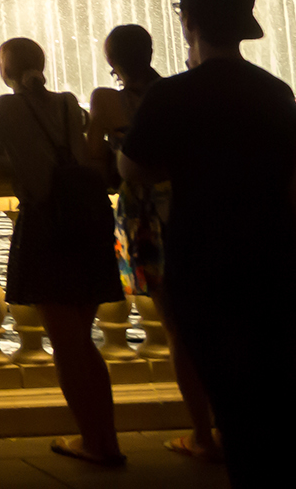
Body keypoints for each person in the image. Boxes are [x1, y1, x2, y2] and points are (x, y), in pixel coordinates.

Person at [121, 0, 296, 487]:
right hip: (272, 262)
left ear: (188, 21)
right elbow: (288, 179)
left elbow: (134, 168)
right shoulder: (275, 92)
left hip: (206, 265)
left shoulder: (172, 96)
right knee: (281, 402)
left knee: (236, 410)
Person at [0, 36, 123, 468]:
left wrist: (12, 155)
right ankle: (104, 438)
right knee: (84, 342)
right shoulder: (68, 102)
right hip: (89, 222)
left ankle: (96, 443)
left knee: (68, 345)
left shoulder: (3, 107)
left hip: (47, 226)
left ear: (5, 71)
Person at [86, 24, 215, 461]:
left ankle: (202, 433)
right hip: (198, 208)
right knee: (215, 321)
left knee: (178, 328)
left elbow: (90, 155)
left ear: (112, 61)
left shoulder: (108, 100)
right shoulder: (181, 92)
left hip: (146, 218)